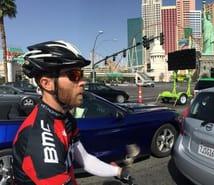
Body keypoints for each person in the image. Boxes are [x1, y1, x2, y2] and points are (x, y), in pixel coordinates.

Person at [12, 41, 132, 185]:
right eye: (74, 75)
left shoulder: (65, 118)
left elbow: (85, 159)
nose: (83, 82)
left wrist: (118, 172)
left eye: (81, 74)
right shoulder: (39, 140)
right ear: (46, 83)